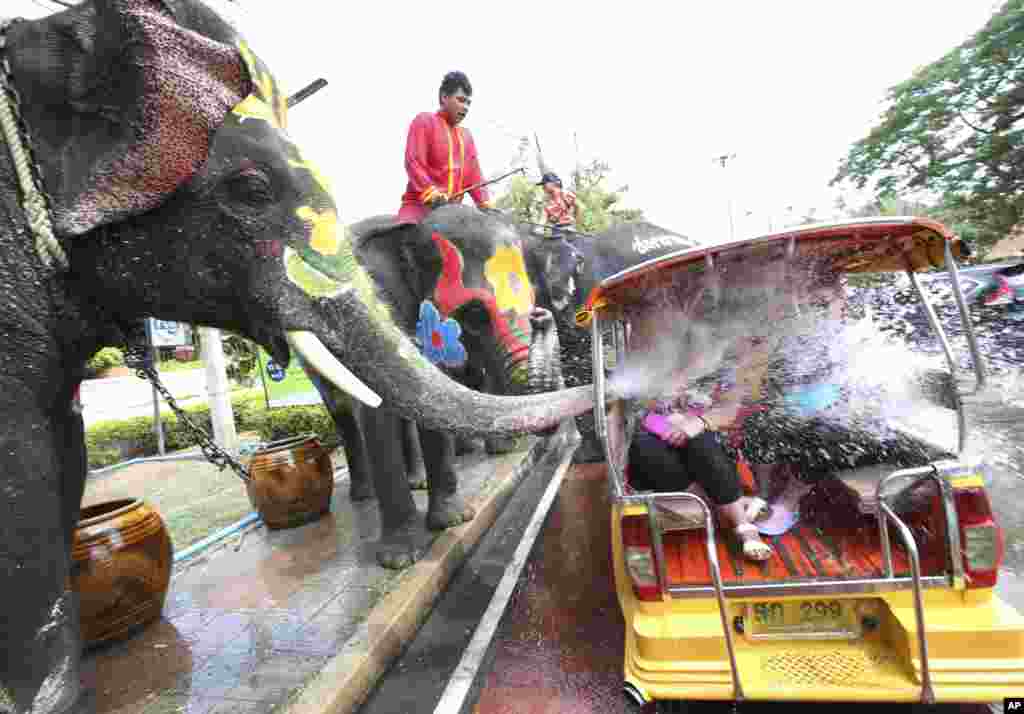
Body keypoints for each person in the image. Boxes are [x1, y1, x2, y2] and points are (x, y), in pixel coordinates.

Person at [625, 313, 774, 562]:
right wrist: (669, 425)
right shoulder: (659, 370)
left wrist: (695, 424)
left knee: (701, 441)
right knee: (642, 445)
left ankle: (744, 528)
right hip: (664, 449)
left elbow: (728, 412)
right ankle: (733, 507)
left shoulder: (728, 373)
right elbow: (643, 411)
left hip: (707, 448)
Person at [398, 71, 496, 225]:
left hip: (452, 214)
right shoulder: (424, 121)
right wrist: (431, 193)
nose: (465, 107)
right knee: (403, 237)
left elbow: (475, 177)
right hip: (418, 209)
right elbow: (413, 162)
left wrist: (486, 206)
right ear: (444, 97)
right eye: (461, 100)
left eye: (468, 103)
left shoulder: (467, 137)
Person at [537, 172, 580, 239]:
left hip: (569, 230)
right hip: (556, 232)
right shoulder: (547, 203)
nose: (543, 187)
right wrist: (539, 228)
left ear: (552, 183)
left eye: (544, 184)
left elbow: (577, 207)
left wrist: (574, 224)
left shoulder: (566, 194)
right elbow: (543, 218)